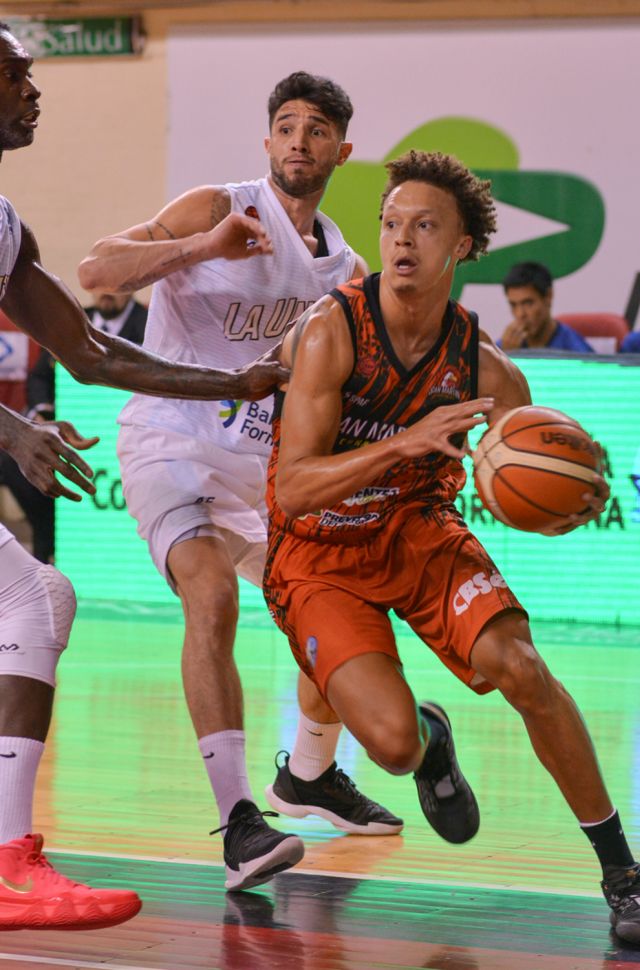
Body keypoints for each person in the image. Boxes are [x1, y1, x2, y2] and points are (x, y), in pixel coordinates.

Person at [264, 149, 640, 949]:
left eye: (424, 226)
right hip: (318, 553)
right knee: (390, 746)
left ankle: (624, 873)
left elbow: (518, 478)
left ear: (461, 246)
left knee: (521, 668)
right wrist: (404, 441)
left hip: (419, 531)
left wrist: (566, 502)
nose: (401, 239)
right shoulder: (331, 331)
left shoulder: (488, 370)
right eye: (391, 223)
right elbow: (295, 488)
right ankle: (431, 745)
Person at [78, 71, 403, 893]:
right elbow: (96, 271)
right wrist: (202, 248)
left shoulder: (348, 270)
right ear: (267, 141)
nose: (299, 141)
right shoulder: (216, 206)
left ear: (342, 151)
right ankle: (240, 826)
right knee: (213, 594)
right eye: (286, 127)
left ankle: (309, 774)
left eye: (317, 129)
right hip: (170, 442)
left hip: (263, 469)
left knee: (333, 604)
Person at [0, 22, 287, 929]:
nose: (33, 91)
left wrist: (232, 383)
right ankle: (7, 862)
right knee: (32, 601)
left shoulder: (4, 224)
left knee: (36, 599)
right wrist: (10, 429)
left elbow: (90, 352)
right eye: (14, 74)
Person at [0, 293, 147, 563]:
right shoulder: (70, 319)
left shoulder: (149, 323)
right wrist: (42, 413)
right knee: (14, 461)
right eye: (97, 284)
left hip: (126, 435)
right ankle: (47, 541)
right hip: (68, 428)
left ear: (129, 286)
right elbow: (40, 376)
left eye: (113, 284)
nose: (105, 292)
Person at [498, 261, 594, 352]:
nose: (520, 314)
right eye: (513, 305)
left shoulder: (576, 351)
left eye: (528, 303)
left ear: (548, 296)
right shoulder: (505, 346)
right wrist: (505, 355)